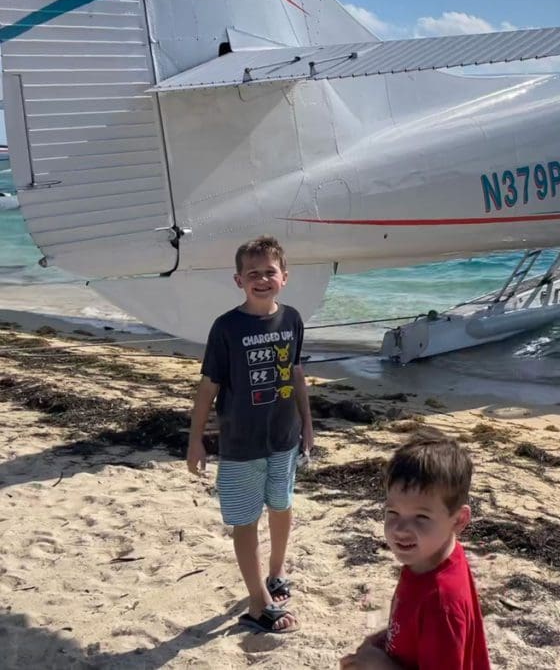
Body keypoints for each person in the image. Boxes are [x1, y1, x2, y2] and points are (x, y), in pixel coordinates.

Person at [186, 235, 313, 634]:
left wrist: (307, 423)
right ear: (238, 280)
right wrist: (196, 440)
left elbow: (295, 374)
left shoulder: (291, 319)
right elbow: (208, 386)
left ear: (284, 277)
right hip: (241, 443)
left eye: (269, 272)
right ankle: (257, 604)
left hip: (284, 437)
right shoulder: (227, 327)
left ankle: (275, 575)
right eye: (253, 273)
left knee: (282, 505)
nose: (262, 279)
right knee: (246, 520)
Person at [340, 431, 490, 669]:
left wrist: (381, 665)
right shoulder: (430, 557)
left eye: (421, 516)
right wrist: (382, 639)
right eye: (393, 513)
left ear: (459, 520)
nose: (401, 529)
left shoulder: (442, 602)